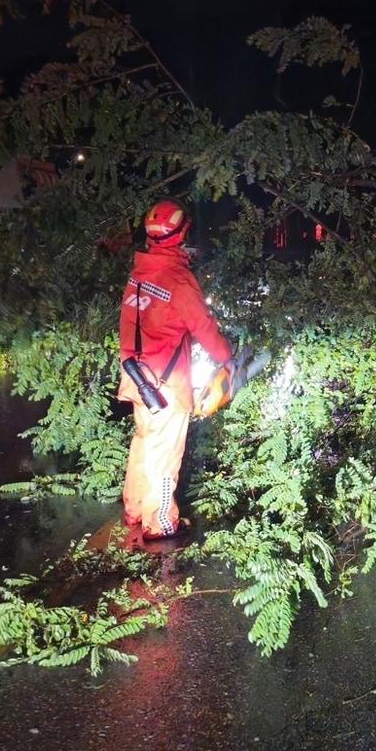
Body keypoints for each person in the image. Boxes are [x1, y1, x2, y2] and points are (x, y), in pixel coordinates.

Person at [117, 198, 232, 549]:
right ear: (182, 233)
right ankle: (161, 521)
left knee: (143, 442)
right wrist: (227, 359)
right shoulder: (177, 279)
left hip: (137, 376)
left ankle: (135, 510)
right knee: (165, 454)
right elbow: (203, 326)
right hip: (165, 384)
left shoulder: (141, 271)